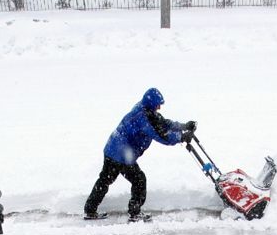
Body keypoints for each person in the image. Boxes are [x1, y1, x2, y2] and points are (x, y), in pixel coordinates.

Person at [84, 88, 196, 222]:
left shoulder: (144, 109)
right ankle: (135, 212)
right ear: (151, 104)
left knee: (105, 179)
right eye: (157, 104)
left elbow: (162, 123)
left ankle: (90, 210)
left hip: (113, 148)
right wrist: (181, 137)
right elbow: (162, 135)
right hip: (120, 154)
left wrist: (183, 126)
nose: (159, 107)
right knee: (139, 180)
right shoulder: (143, 118)